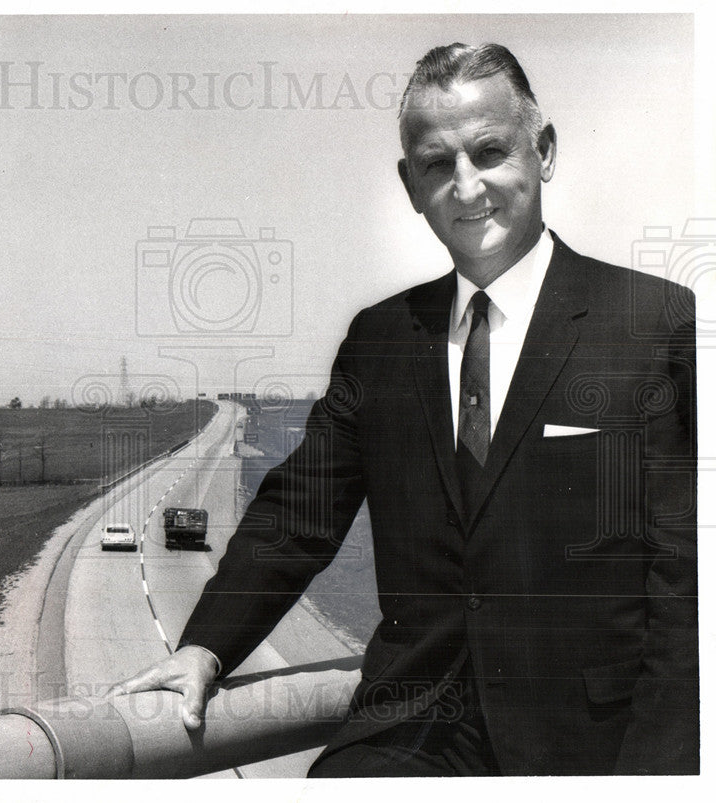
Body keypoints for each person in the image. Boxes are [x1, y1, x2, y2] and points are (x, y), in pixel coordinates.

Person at [109, 43, 698, 776]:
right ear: (409, 184)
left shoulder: (653, 321)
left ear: (543, 151)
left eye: (489, 151)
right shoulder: (380, 340)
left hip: (586, 745)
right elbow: (298, 511)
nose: (466, 185)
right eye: (435, 164)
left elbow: (684, 582)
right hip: (411, 734)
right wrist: (204, 646)